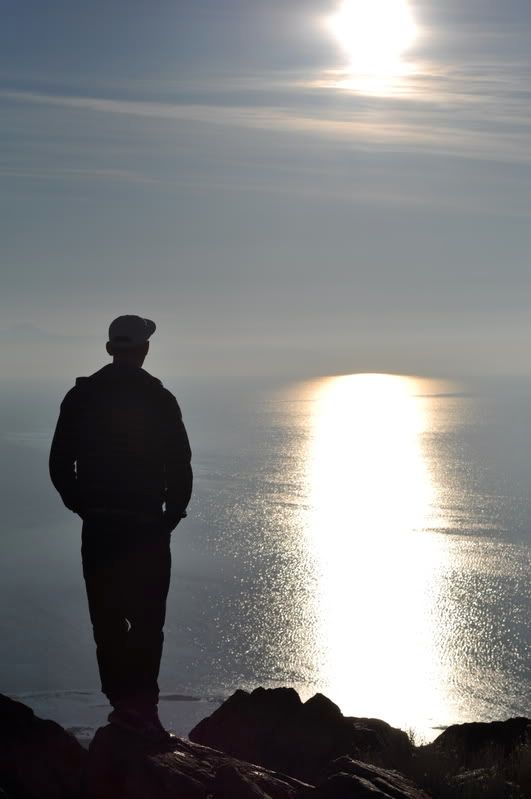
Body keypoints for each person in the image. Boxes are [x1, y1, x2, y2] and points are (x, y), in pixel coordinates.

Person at [49, 315, 192, 740]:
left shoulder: (82, 396)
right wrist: (171, 514)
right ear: (144, 349)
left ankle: (122, 706)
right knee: (148, 620)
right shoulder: (158, 398)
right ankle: (143, 709)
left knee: (107, 620)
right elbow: (180, 464)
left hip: (101, 529)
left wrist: (84, 507)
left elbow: (60, 464)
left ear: (111, 349)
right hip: (147, 527)